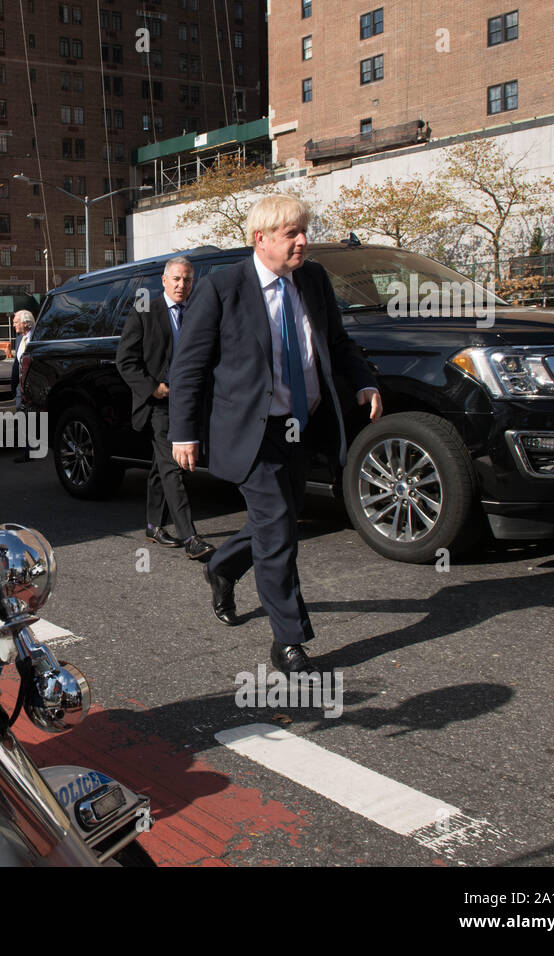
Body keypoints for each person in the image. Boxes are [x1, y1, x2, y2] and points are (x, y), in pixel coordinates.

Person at [168, 195, 382, 675]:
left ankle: (222, 567)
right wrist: (183, 432)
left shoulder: (313, 279)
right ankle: (288, 640)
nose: (302, 241)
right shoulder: (223, 289)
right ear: (260, 239)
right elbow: (189, 367)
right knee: (279, 526)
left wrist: (365, 380)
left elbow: (338, 342)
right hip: (252, 430)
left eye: (303, 230)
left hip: (300, 427)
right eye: (291, 234)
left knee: (276, 523)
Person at [116, 256, 214, 560]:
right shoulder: (145, 310)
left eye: (187, 279)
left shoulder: (196, 310)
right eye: (176, 279)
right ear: (164, 280)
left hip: (188, 402)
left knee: (161, 467)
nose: (182, 285)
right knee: (173, 467)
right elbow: (125, 360)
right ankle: (190, 537)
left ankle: (153, 525)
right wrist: (152, 387)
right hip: (160, 403)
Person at [9, 309, 35, 463]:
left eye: (16, 322)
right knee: (23, 416)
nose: (13, 325)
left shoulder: (37, 337)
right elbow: (16, 365)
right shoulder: (19, 339)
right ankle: (28, 451)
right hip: (21, 386)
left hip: (36, 384)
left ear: (26, 323)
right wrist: (14, 386)